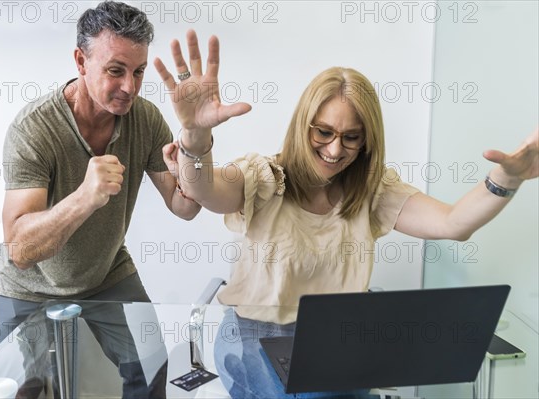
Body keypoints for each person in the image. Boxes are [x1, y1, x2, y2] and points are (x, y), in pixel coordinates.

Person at [155, 30, 539, 398]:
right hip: (256, 335)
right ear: (302, 125)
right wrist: (194, 135)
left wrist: (505, 178)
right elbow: (205, 189)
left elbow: (454, 223)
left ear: (366, 140)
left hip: (336, 340)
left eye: (351, 137)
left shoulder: (372, 191)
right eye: (323, 132)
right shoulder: (264, 176)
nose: (335, 150)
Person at [0, 1, 200, 397]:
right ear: (81, 61)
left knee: (153, 366)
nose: (130, 88)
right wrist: (85, 196)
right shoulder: (34, 129)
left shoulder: (146, 118)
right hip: (29, 284)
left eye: (138, 72)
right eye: (115, 71)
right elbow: (19, 247)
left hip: (106, 273)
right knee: (18, 388)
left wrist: (196, 137)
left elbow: (184, 206)